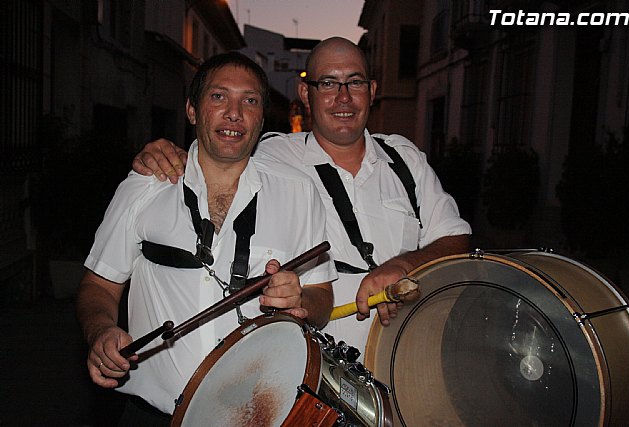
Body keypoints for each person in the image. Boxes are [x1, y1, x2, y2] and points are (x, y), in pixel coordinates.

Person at [132, 37, 471, 358]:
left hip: (408, 360)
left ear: (372, 91)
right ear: (305, 94)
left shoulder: (405, 160)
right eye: (328, 83)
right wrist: (165, 153)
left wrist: (403, 264)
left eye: (354, 82)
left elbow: (457, 241)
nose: (343, 97)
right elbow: (214, 153)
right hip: (311, 373)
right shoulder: (268, 156)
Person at [77, 52, 335, 424]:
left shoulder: (299, 193)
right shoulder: (144, 186)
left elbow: (322, 300)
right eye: (218, 97)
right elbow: (99, 285)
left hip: (258, 417)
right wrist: (100, 330)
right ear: (192, 110)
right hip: (151, 416)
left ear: (262, 119)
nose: (234, 113)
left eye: (250, 101)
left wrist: (302, 300)